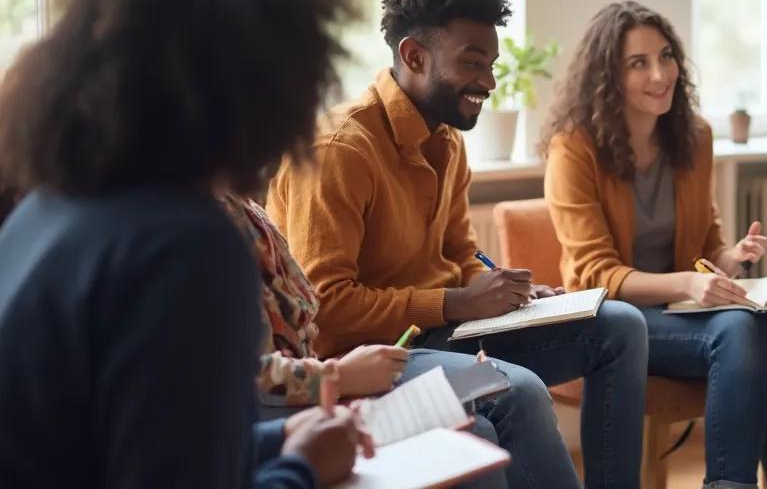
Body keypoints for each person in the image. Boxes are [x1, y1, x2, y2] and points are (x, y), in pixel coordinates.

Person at [0, 0, 368, 488]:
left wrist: (278, 442)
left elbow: (135, 446)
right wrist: (302, 469)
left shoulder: (45, 210)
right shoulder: (186, 244)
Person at [265, 0, 647, 488]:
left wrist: (507, 293)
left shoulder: (446, 138)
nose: (488, 82)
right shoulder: (339, 151)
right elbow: (326, 309)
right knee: (518, 391)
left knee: (619, 326)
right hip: (366, 356)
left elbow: (460, 254)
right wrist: (452, 302)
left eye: (491, 63)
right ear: (414, 56)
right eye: (472, 63)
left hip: (443, 334)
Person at [541, 1, 767, 489]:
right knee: (740, 327)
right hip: (609, 316)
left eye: (666, 57)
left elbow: (704, 243)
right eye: (639, 63)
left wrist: (729, 258)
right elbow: (597, 274)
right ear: (607, 76)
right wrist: (691, 281)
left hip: (675, 311)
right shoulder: (573, 149)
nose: (661, 73)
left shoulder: (693, 138)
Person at [225, 191, 582, 489]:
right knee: (486, 419)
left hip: (339, 375)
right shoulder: (207, 229)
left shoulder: (245, 208)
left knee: (497, 392)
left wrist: (500, 292)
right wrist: (337, 376)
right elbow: (238, 374)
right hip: (336, 371)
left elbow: (464, 256)